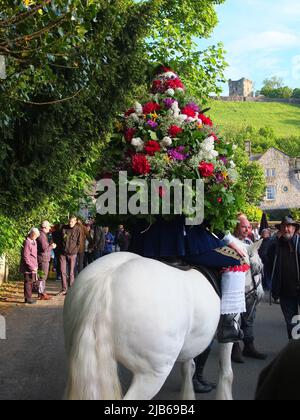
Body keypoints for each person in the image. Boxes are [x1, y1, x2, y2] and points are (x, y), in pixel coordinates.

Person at [231, 215, 267, 364]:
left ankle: (249, 345)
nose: (247, 230)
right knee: (235, 319)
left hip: (251, 289)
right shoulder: (230, 243)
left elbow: (257, 268)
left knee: (249, 318)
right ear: (236, 227)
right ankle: (235, 347)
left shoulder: (250, 242)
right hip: (236, 288)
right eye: (243, 226)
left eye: (249, 227)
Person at [268, 215, 300, 340]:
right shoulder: (275, 245)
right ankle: (294, 350)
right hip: (285, 291)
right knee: (291, 323)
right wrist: (273, 239)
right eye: (284, 226)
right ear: (280, 229)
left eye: (289, 226)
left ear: (294, 228)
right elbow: (265, 257)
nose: (286, 229)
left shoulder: (298, 243)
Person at [58, 216, 81, 296]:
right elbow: (59, 239)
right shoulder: (64, 228)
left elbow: (79, 242)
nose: (70, 223)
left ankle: (71, 289)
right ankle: (64, 289)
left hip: (72, 254)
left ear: (75, 222)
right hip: (63, 253)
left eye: (72, 222)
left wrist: (75, 251)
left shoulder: (78, 229)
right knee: (62, 271)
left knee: (71, 272)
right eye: (69, 221)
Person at [37, 221, 57, 300]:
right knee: (42, 277)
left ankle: (41, 293)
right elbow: (45, 249)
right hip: (43, 259)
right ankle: (42, 293)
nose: (50, 228)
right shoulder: (42, 235)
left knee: (41, 276)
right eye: (49, 226)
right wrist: (52, 246)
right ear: (44, 227)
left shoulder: (42, 234)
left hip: (42, 258)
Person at [20, 228, 40, 304]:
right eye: (35, 235)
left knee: (30, 282)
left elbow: (34, 255)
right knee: (28, 282)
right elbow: (26, 257)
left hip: (33, 266)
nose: (36, 237)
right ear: (31, 234)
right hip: (28, 267)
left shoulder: (34, 241)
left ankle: (28, 298)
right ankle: (28, 298)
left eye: (37, 235)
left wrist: (36, 265)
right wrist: (32, 267)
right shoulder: (27, 242)